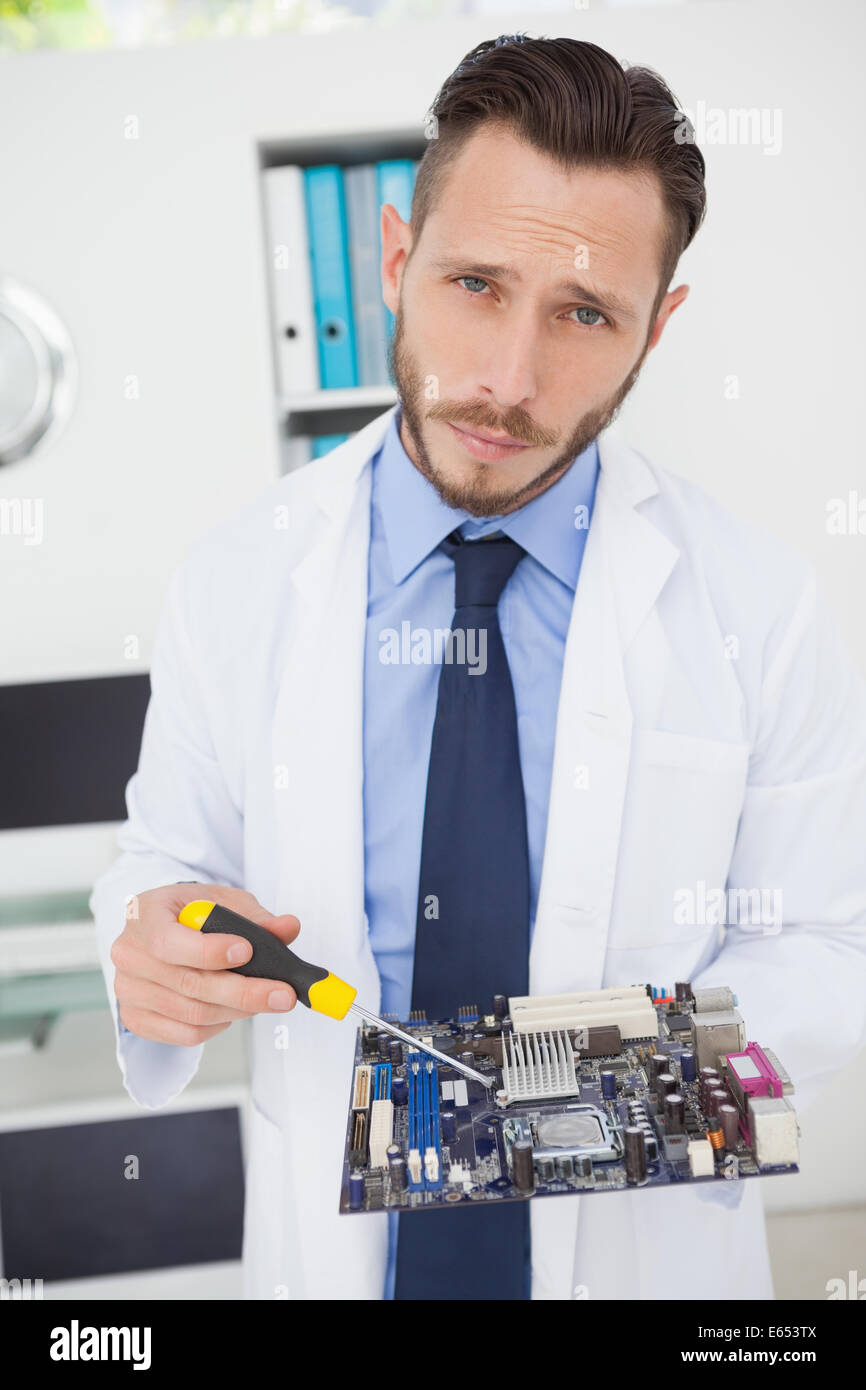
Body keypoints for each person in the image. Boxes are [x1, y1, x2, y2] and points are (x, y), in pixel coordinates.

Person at [91, 35, 866, 1300]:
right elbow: (162, 859)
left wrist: (497, 1118)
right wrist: (153, 944)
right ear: (395, 261)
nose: (507, 382)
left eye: (582, 314)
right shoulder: (235, 577)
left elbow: (831, 951)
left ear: (655, 329)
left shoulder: (758, 604)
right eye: (472, 284)